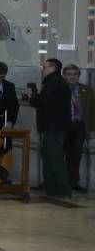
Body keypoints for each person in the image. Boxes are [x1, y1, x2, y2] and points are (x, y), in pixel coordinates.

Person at [30, 58, 72, 198]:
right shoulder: (54, 82)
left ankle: (63, 189)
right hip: (51, 127)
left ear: (52, 68)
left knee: (54, 158)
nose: (42, 68)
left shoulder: (55, 82)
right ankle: (51, 189)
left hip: (54, 127)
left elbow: (44, 101)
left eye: (44, 66)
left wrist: (34, 97)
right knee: (48, 158)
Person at [62, 64, 93, 193]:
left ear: (79, 75)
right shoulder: (60, 89)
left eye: (75, 74)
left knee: (75, 156)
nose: (72, 77)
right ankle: (55, 181)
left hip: (79, 126)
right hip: (62, 126)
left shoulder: (86, 90)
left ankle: (73, 182)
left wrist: (92, 128)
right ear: (64, 76)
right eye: (69, 74)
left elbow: (92, 111)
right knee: (57, 155)